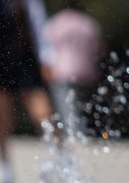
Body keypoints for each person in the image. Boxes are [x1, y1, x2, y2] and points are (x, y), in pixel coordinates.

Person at [0, 0, 55, 183]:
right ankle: (4, 165)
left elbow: (38, 21)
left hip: (24, 54)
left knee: (43, 114)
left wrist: (48, 56)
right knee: (1, 117)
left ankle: (63, 161)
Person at [42, 4, 102, 139]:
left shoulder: (55, 23)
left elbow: (45, 48)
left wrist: (45, 69)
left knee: (67, 107)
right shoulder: (88, 23)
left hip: (61, 71)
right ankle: (86, 133)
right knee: (84, 106)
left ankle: (75, 135)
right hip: (85, 71)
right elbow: (98, 48)